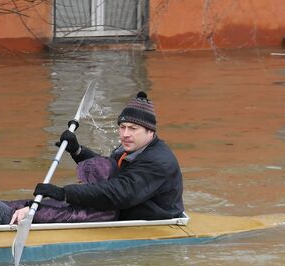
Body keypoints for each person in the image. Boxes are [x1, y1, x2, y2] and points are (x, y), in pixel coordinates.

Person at [24, 90, 184, 222]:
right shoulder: (131, 147)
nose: (125, 134)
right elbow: (107, 170)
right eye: (122, 127)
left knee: (60, 207)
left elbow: (119, 192)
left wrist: (65, 193)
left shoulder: (158, 161)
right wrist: (77, 151)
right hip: (122, 210)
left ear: (151, 132)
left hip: (153, 221)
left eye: (133, 128)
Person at [0, 156, 117, 228]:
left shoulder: (101, 210)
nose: (80, 182)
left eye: (84, 180)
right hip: (30, 215)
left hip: (32, 222)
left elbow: (61, 215)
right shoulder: (88, 197)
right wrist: (25, 205)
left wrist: (32, 210)